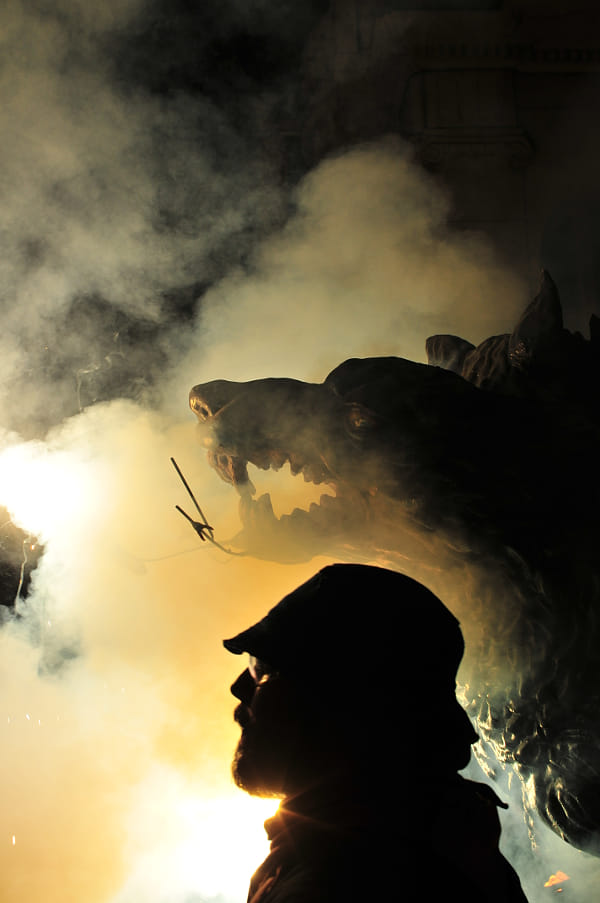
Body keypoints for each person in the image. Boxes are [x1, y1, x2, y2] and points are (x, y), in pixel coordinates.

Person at [224, 563, 529, 902]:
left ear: (344, 697)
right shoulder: (445, 846)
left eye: (263, 668)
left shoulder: (339, 882)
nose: (239, 687)